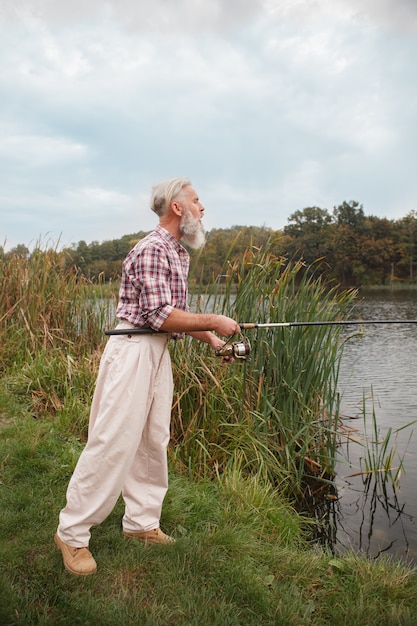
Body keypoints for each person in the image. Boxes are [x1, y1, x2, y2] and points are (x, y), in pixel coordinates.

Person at [55, 177, 240, 575]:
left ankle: (141, 524)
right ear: (177, 208)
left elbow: (173, 316)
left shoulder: (177, 252)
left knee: (152, 439)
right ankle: (71, 534)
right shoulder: (153, 248)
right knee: (113, 441)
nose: (202, 207)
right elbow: (161, 316)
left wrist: (210, 338)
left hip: (156, 350)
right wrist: (217, 320)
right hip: (134, 349)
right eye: (196, 200)